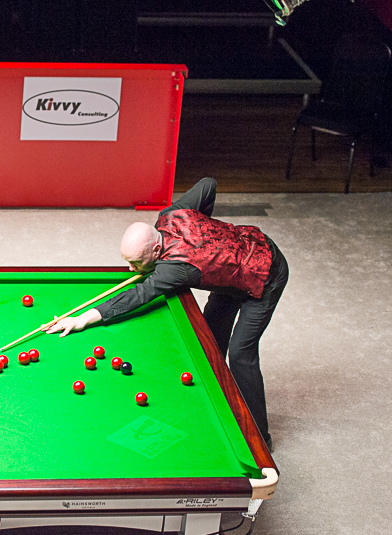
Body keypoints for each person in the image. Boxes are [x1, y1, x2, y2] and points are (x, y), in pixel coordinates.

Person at [47, 177, 288, 450]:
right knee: (210, 335)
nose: (131, 270)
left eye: (136, 263)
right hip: (230, 269)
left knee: (241, 354)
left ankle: (260, 439)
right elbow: (208, 184)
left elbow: (138, 296)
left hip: (266, 273)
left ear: (156, 249)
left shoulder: (176, 268)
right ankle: (218, 398)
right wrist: (204, 229)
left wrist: (83, 319)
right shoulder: (171, 215)